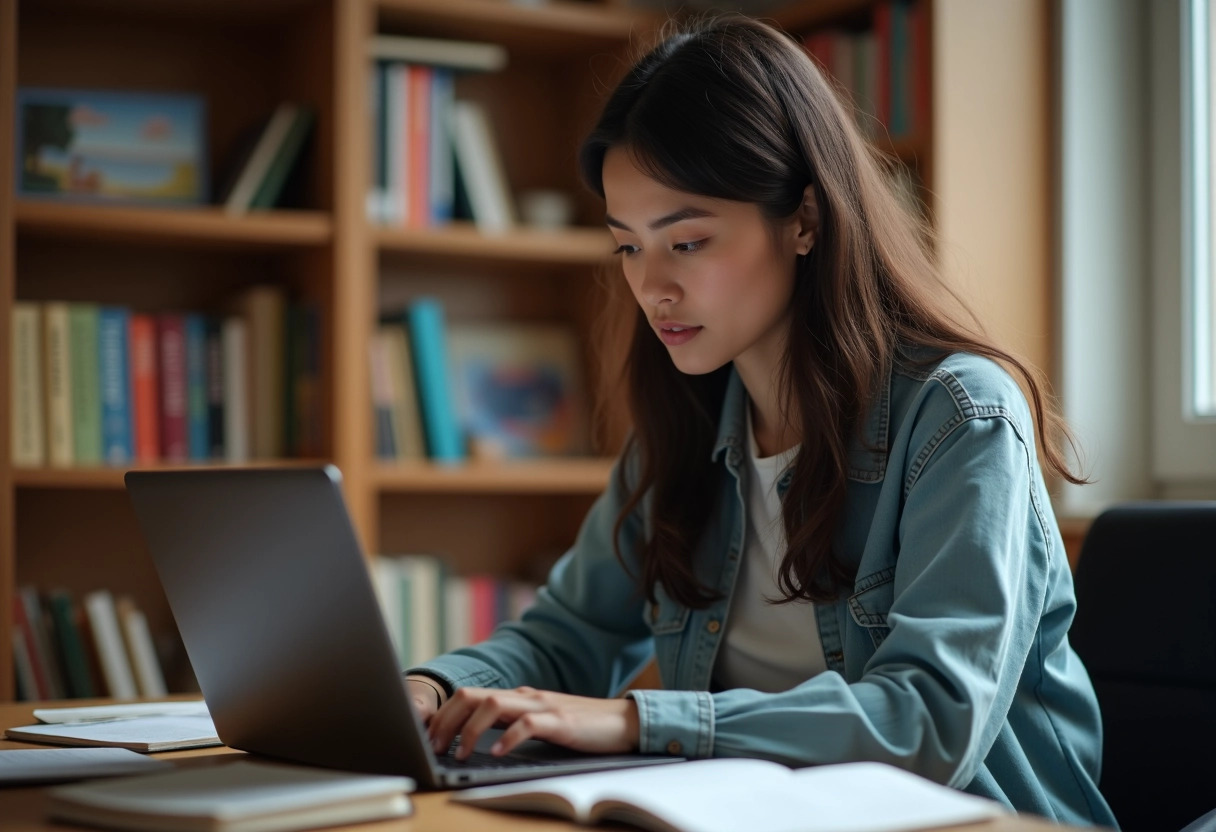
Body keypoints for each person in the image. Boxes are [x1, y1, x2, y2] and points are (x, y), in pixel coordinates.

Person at [406, 15, 1117, 827]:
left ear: (805, 220)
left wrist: (638, 722)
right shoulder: (685, 426)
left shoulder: (959, 415)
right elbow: (565, 635)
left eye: (689, 241)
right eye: (628, 248)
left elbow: (929, 720)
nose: (653, 288)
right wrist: (426, 688)